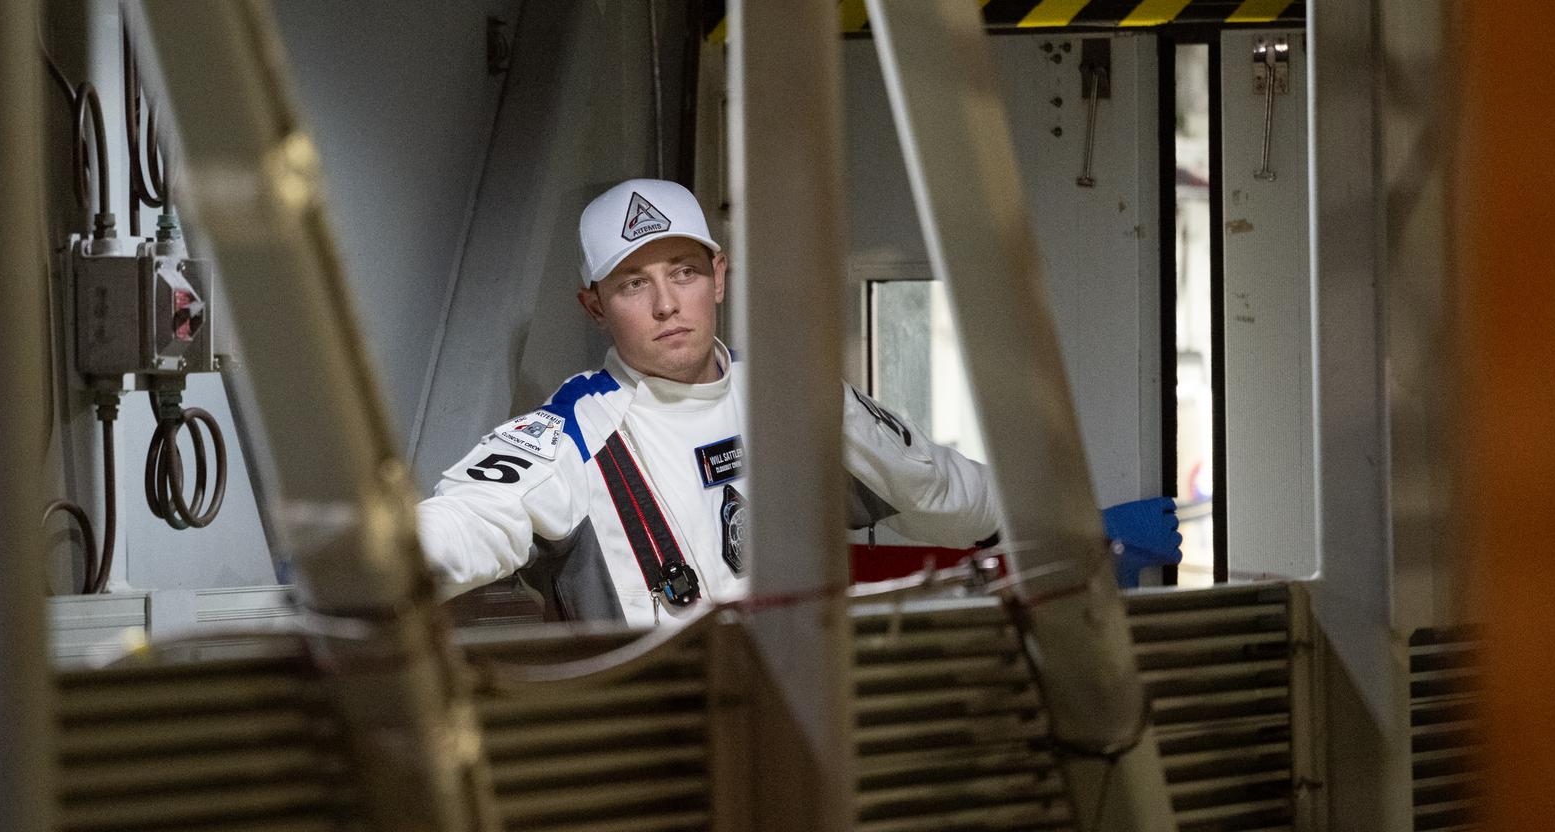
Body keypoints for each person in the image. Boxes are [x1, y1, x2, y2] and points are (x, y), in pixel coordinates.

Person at [416, 178, 1178, 626]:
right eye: (632, 285)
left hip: (812, 733)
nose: (666, 305)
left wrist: (1078, 530)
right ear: (593, 306)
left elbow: (943, 490)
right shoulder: (568, 439)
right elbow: (454, 532)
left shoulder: (800, 398)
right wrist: (345, 560)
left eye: (682, 272)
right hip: (652, 747)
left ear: (719, 274)